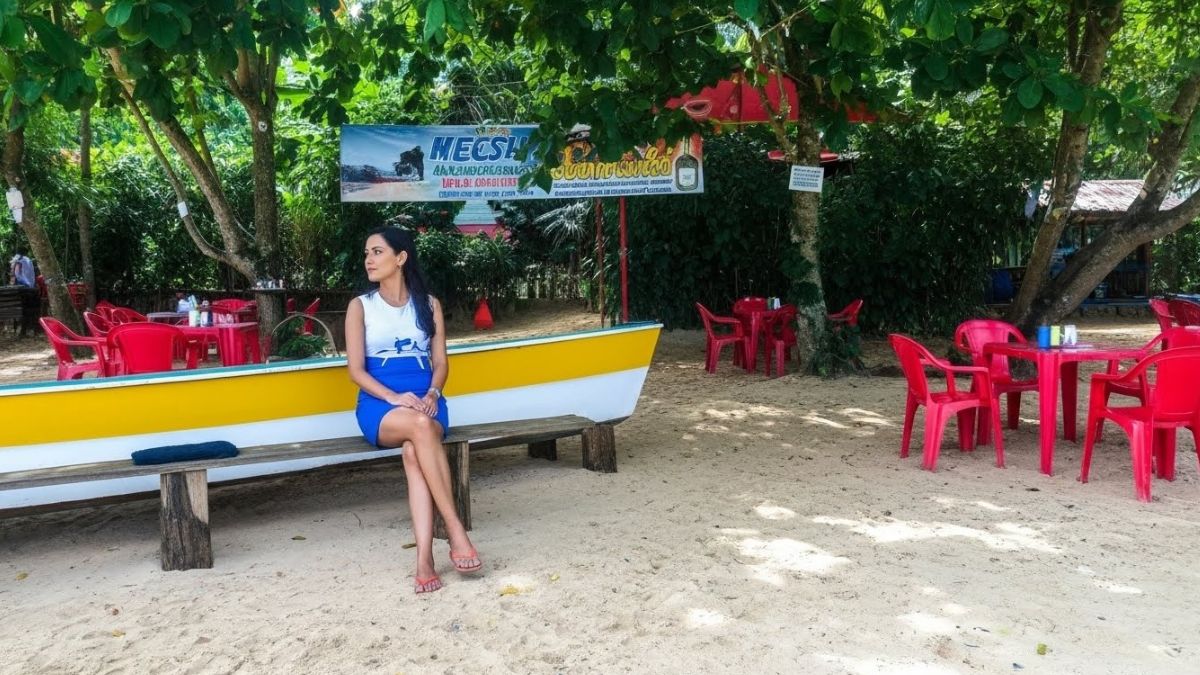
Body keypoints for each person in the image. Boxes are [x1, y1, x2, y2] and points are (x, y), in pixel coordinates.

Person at [345, 226, 481, 594]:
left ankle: (424, 558)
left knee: (413, 450)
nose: (368, 260)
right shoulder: (361, 307)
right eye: (367, 253)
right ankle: (455, 530)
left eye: (377, 252)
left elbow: (441, 362)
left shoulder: (429, 304)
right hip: (381, 406)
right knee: (419, 428)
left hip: (428, 402)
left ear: (400, 258)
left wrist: (435, 392)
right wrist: (393, 397)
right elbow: (355, 370)